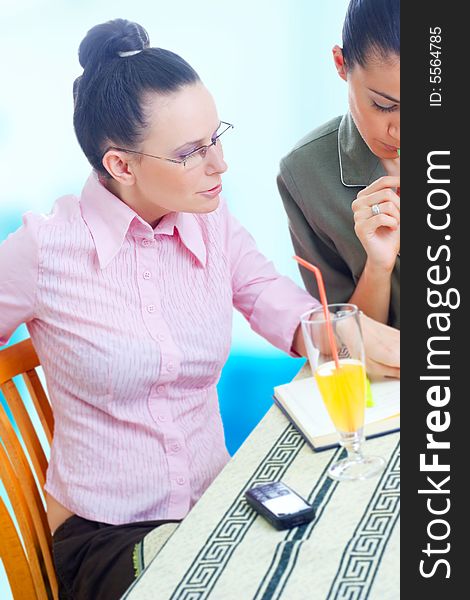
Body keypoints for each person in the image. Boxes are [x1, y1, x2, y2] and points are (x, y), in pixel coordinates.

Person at [0, 18, 399, 599]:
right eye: (190, 153)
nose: (220, 165)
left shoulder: (213, 228)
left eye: (217, 137)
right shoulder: (45, 248)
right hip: (107, 538)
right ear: (121, 165)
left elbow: (302, 319)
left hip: (214, 505)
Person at [278, 0, 400, 328]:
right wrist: (377, 266)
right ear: (341, 63)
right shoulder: (305, 174)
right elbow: (343, 346)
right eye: (384, 105)